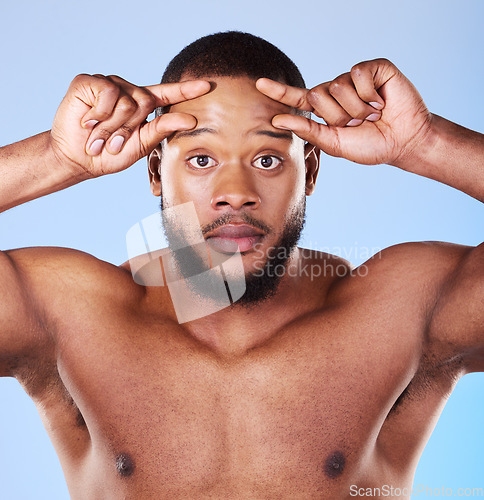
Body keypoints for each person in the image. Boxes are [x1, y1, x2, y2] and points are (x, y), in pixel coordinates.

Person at [0, 31, 482, 499]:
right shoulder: (71, 314)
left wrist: (427, 142)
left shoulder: (398, 311)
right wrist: (55, 156)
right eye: (202, 159)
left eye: (268, 159)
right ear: (154, 172)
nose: (236, 192)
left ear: (310, 170)